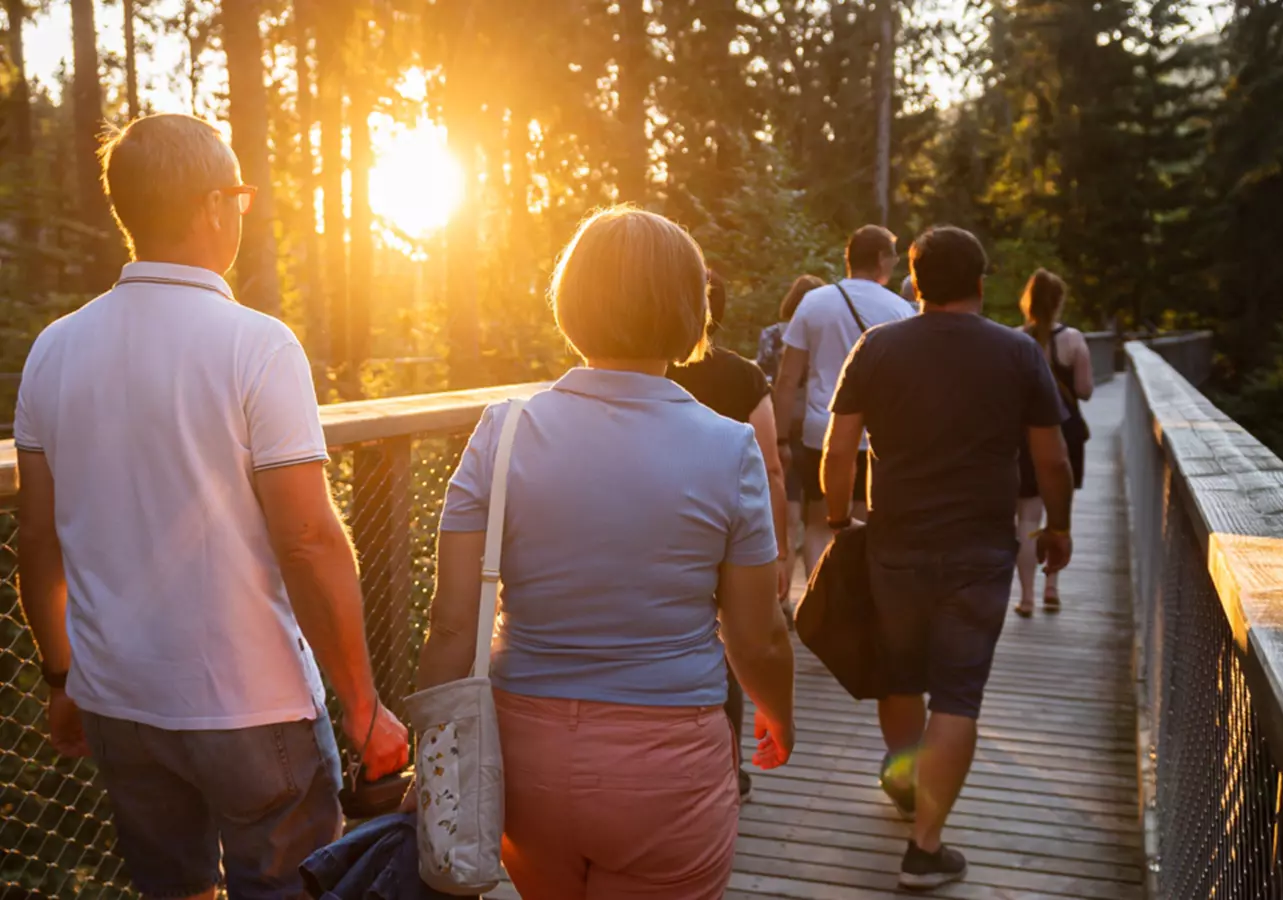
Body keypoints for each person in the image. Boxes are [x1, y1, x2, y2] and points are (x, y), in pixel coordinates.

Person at [13, 114, 409, 900]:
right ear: (212, 206)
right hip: (251, 706)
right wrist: (363, 707)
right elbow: (307, 539)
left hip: (119, 703)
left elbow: (36, 539)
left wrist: (62, 677)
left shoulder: (54, 348)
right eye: (241, 195)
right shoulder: (256, 345)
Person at [413, 206, 796, 900]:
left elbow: (449, 624)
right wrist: (779, 708)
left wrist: (433, 755)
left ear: (572, 299)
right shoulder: (728, 446)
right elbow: (758, 634)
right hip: (666, 767)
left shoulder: (502, 430)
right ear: (689, 308)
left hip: (523, 760)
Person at [821, 226, 1074, 889]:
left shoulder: (877, 347)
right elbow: (1051, 457)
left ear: (915, 282)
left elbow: (839, 448)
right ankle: (925, 845)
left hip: (894, 542)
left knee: (901, 675)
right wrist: (1058, 529)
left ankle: (907, 779)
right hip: (981, 551)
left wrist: (837, 518)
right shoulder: (1017, 353)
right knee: (958, 694)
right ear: (982, 283)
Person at [669, 270, 789, 803]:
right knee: (732, 641)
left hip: (665, 523)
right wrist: (778, 550)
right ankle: (731, 767)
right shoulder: (744, 376)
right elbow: (772, 467)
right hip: (728, 523)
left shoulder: (652, 372)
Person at [773, 226, 914, 582]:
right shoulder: (899, 309)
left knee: (819, 523)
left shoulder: (814, 302)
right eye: (893, 258)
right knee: (864, 521)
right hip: (876, 438)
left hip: (820, 433)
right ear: (882, 259)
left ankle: (821, 598)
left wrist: (778, 440)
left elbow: (787, 378)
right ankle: (857, 603)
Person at [1015, 269, 1093, 617]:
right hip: (1066, 432)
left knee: (1027, 518)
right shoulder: (1074, 340)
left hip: (1024, 434)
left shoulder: (1015, 340)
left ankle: (1026, 597)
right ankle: (1052, 588)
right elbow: (1085, 391)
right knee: (1059, 514)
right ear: (1059, 301)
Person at [756, 273, 824, 599]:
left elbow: (764, 378)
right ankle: (817, 591)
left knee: (787, 505)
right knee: (819, 514)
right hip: (819, 423)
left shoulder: (772, 335)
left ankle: (781, 595)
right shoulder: (826, 335)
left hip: (781, 422)